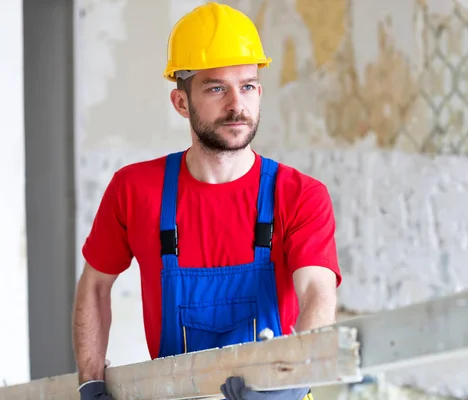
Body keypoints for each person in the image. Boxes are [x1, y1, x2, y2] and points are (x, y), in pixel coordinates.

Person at [71, 2, 342, 400]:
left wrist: (293, 379)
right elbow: (94, 286)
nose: (237, 104)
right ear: (181, 102)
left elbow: (318, 294)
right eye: (217, 88)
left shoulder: (299, 194)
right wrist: (91, 382)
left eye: (247, 86)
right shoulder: (134, 190)